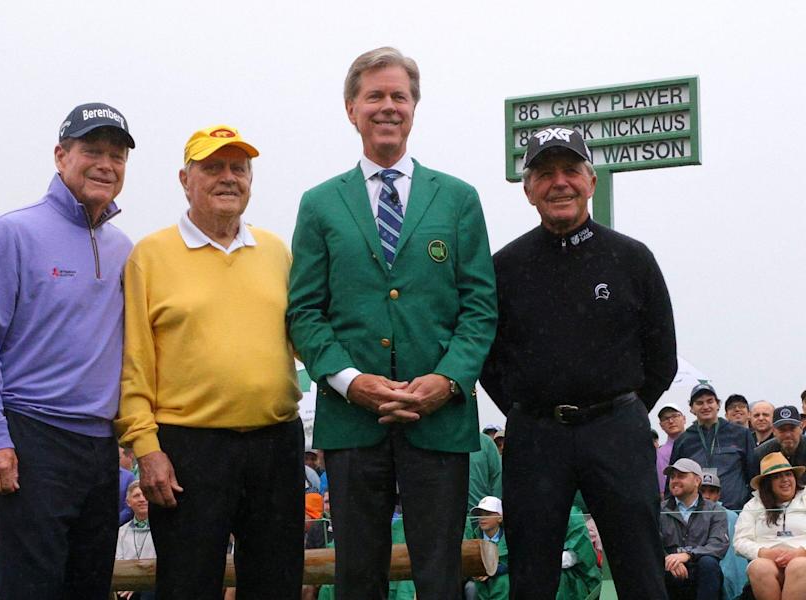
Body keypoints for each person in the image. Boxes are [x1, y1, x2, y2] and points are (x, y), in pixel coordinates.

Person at [287, 46, 498, 599]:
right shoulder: (319, 204)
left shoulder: (457, 199)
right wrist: (350, 381)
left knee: (439, 572)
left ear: (414, 107)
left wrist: (447, 380)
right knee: (357, 573)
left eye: (398, 96)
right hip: (351, 422)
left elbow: (480, 305)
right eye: (374, 96)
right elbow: (305, 311)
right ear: (351, 109)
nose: (387, 106)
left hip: (442, 420)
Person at [479, 125, 677, 599]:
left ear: (591, 181)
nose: (559, 183)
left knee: (641, 571)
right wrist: (531, 413)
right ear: (528, 190)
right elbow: (487, 358)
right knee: (530, 574)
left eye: (570, 170)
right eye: (545, 174)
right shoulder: (504, 267)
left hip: (617, 430)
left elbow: (662, 356)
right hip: (535, 437)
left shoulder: (631, 258)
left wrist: (621, 409)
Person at [0, 102, 135, 599]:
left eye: (117, 155)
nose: (105, 164)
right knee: (32, 589)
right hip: (30, 439)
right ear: (61, 156)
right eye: (92, 151)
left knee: (88, 587)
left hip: (99, 450)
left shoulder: (125, 248)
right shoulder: (14, 231)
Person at [117, 124, 304, 599]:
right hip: (187, 450)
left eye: (238, 168)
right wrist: (146, 448)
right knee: (187, 586)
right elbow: (133, 364)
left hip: (275, 442)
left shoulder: (277, 251)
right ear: (185, 179)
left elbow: (306, 337)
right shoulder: (150, 256)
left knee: (277, 582)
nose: (228, 178)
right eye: (213, 167)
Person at [670, 384, 757, 510]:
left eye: (710, 401)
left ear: (718, 404)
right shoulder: (683, 440)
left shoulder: (741, 434)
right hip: (696, 513)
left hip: (735, 510)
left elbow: (752, 474)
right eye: (699, 403)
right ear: (691, 408)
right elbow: (674, 478)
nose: (705, 406)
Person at [733, 453, 806, 599]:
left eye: (788, 474)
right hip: (768, 561)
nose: (785, 480)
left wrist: (801, 551)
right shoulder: (753, 505)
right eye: (777, 476)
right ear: (767, 483)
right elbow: (740, 541)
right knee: (759, 567)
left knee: (799, 565)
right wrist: (762, 552)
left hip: (802, 560)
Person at [658, 458, 728, 600]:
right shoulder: (659, 510)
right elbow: (653, 543)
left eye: (681, 476)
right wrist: (669, 560)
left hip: (701, 571)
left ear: (697, 481)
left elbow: (718, 544)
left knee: (708, 563)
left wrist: (688, 555)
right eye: (672, 477)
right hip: (668, 571)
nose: (675, 480)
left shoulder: (715, 510)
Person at [698, 473, 747, 600]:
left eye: (712, 491)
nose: (707, 496)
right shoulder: (688, 514)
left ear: (719, 494)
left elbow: (735, 558)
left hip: (724, 571)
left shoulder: (731, 516)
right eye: (702, 491)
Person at [114, 482, 154, 600]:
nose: (142, 499)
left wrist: (137, 584)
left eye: (145, 495)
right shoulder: (121, 532)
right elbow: (118, 560)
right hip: (125, 585)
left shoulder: (164, 529)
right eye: (136, 496)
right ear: (128, 502)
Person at [464, 496, 507, 600]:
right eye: (479, 514)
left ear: (500, 518)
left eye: (488, 514)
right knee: (470, 587)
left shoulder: (509, 539)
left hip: (502, 583)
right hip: (479, 584)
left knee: (504, 582)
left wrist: (494, 571)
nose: (482, 518)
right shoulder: (472, 539)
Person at [755, 406, 806, 481]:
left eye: (792, 429)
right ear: (773, 431)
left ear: (801, 428)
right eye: (782, 430)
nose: (788, 434)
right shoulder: (761, 454)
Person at [657, 403, 687, 496]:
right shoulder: (659, 453)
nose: (670, 421)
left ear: (684, 418)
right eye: (665, 419)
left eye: (675, 416)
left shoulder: (697, 443)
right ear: (661, 425)